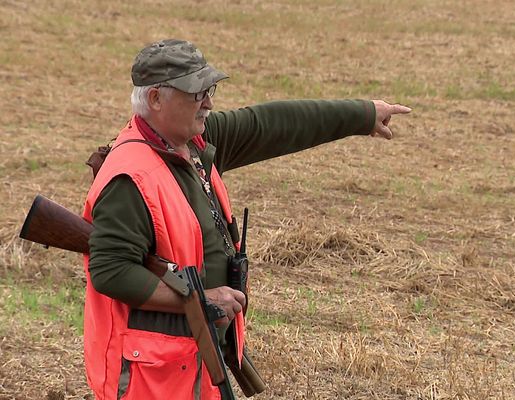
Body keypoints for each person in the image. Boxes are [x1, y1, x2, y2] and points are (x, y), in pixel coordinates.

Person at [82, 38, 411, 400]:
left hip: (192, 363)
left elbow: (270, 125)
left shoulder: (191, 141)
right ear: (157, 99)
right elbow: (110, 271)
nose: (208, 101)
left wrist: (361, 115)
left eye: (210, 88)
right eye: (196, 92)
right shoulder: (130, 178)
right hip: (152, 380)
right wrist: (202, 299)